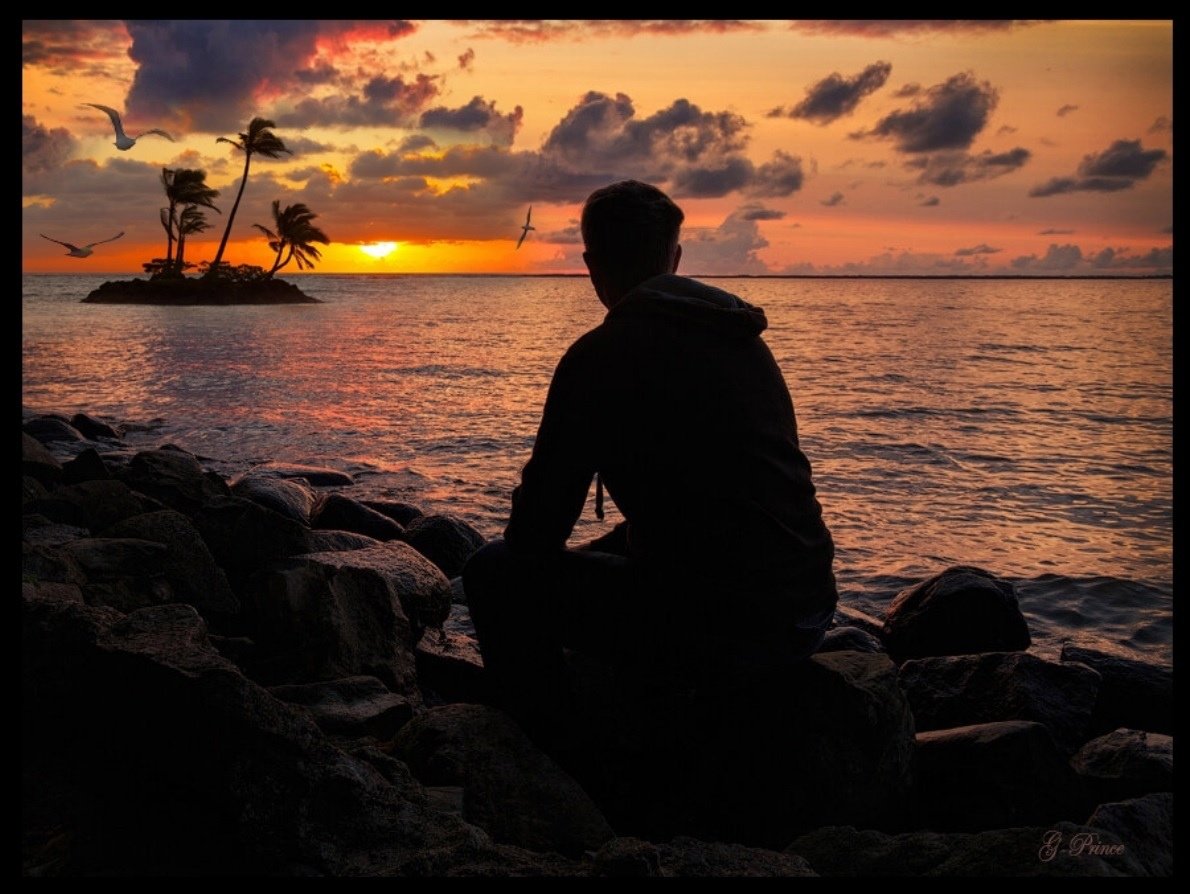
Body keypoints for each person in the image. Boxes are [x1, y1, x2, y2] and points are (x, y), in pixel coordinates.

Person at [463, 180, 836, 756]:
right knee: (619, 547)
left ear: (591, 266)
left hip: (726, 631)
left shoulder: (598, 357)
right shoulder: (744, 340)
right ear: (674, 258)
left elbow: (535, 534)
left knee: (493, 572)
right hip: (807, 607)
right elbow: (721, 500)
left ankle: (555, 754)